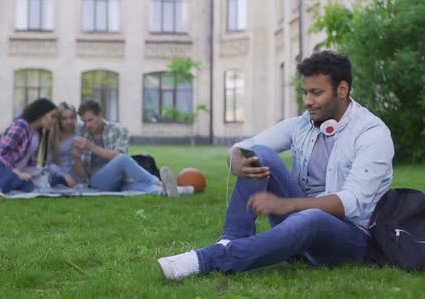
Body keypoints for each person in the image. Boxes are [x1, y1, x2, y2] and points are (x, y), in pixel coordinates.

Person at [157, 51, 395, 279]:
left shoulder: (372, 133)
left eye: (316, 93)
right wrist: (236, 162)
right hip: (298, 218)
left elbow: (351, 202)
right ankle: (230, 240)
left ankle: (207, 259)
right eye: (304, 93)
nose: (308, 102)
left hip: (349, 237)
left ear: (342, 90)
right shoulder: (303, 124)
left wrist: (287, 204)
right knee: (257, 154)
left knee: (311, 217)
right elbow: (244, 146)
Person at [72, 100, 189, 197]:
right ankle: (159, 182)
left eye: (90, 120)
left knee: (143, 187)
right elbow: (82, 176)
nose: (87, 125)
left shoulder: (119, 130)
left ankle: (169, 191)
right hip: (97, 183)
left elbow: (117, 155)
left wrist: (92, 147)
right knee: (123, 159)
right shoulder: (82, 136)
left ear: (100, 115)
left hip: (120, 180)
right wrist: (77, 158)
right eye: (84, 121)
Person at [0, 98, 58, 199]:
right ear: (41, 113)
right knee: (14, 176)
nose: (54, 121)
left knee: (29, 186)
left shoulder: (39, 133)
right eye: (52, 116)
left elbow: (30, 163)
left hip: (10, 174)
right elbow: (0, 154)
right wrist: (17, 172)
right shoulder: (21, 125)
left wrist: (33, 175)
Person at [44, 102, 79, 188]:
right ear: (59, 120)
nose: (69, 121)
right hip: (60, 174)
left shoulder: (80, 133)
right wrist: (63, 174)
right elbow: (49, 163)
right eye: (64, 119)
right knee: (56, 181)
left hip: (77, 175)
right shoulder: (54, 136)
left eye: (72, 117)